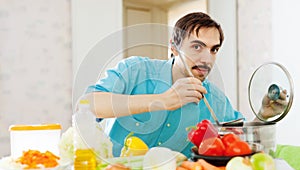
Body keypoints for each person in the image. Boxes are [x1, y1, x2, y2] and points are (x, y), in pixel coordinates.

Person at [84, 12, 286, 157]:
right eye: (197, 46)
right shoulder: (136, 70)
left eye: (214, 49)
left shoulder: (214, 99)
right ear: (173, 47)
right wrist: (163, 100)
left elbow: (239, 140)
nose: (207, 59)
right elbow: (89, 105)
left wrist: (262, 115)